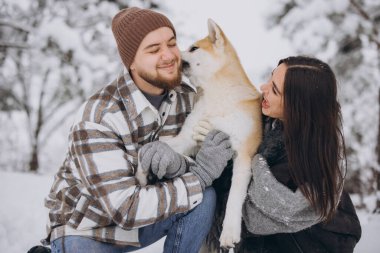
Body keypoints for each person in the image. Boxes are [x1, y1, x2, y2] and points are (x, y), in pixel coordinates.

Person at [41, 7, 233, 253]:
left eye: (172, 44)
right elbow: (125, 209)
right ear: (130, 61)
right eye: (154, 50)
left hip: (145, 216)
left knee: (203, 198)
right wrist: (200, 174)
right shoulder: (98, 117)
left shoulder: (189, 98)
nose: (169, 56)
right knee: (198, 186)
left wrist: (185, 163)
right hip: (87, 228)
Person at [236, 56, 362, 252]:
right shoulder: (277, 125)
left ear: (297, 107)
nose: (263, 87)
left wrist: (249, 161)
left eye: (275, 90)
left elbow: (249, 219)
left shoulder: (301, 161)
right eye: (270, 78)